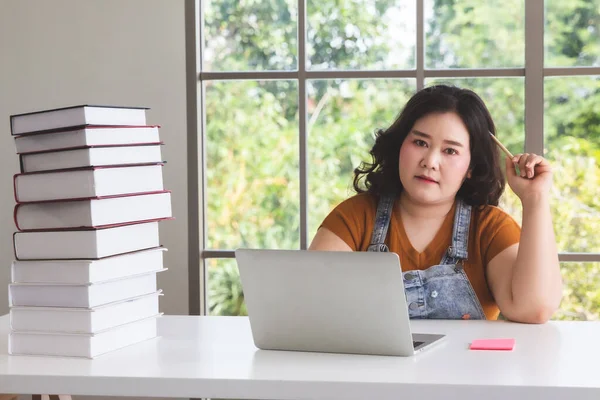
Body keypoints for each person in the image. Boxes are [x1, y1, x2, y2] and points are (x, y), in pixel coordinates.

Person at [309, 84, 563, 324]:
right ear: (400, 146)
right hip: (371, 371)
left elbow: (534, 308)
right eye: (420, 143)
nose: (430, 161)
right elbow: (310, 305)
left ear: (471, 167)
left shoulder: (490, 228)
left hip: (466, 371)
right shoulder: (355, 215)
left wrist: (534, 199)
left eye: (450, 151)